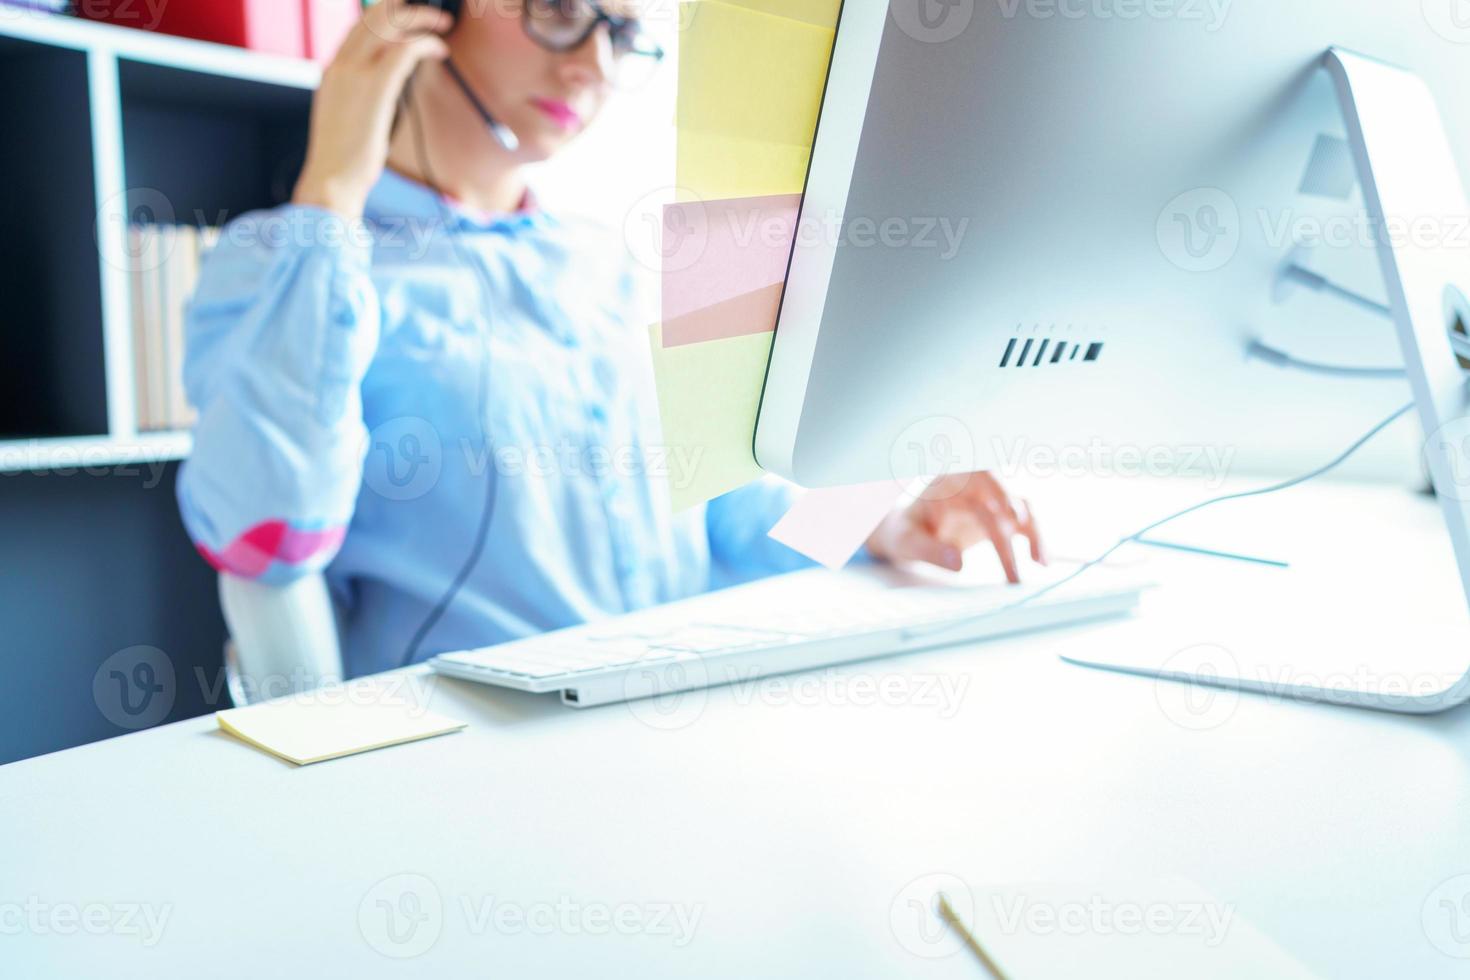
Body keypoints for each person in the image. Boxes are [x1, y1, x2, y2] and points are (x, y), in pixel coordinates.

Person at [177, 0, 1046, 679]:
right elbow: (267, 535)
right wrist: (331, 190)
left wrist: (883, 522)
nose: (593, 60)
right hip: (473, 765)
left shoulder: (608, 263)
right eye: (557, 9)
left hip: (674, 707)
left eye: (623, 32)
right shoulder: (288, 260)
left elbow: (731, 520)